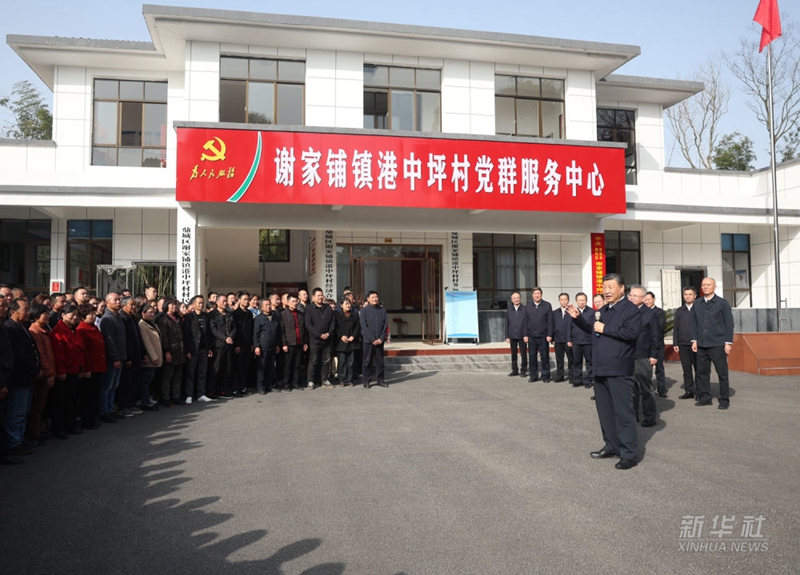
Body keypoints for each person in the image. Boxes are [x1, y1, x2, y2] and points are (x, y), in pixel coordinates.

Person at [568, 273, 642, 470]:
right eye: (604, 287)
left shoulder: (631, 310)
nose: (606, 291)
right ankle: (612, 446)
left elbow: (631, 333)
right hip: (600, 368)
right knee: (605, 412)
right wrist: (578, 318)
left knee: (623, 413)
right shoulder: (603, 310)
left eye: (610, 287)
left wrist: (605, 328)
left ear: (622, 288)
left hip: (619, 369)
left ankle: (628, 453)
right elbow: (593, 328)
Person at [691, 277, 734, 409]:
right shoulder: (697, 303)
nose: (705, 287)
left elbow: (729, 323)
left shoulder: (722, 303)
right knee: (702, 373)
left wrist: (728, 342)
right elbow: (694, 323)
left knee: (722, 372)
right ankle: (705, 397)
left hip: (717, 343)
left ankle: (724, 399)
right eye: (703, 285)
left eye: (708, 285)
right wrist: (694, 340)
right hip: (701, 344)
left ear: (714, 287)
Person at [3, 299, 39, 456]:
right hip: (19, 378)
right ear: (13, 312)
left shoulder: (22, 327)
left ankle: (20, 439)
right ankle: (14, 443)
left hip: (28, 377)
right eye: (25, 309)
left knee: (24, 412)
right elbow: (18, 356)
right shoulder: (10, 328)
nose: (28, 312)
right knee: (16, 413)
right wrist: (33, 367)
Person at [50, 304, 86, 435]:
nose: (75, 317)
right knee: (61, 401)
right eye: (72, 315)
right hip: (65, 371)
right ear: (63, 315)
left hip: (74, 369)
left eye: (77, 315)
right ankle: (59, 427)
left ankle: (70, 424)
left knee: (71, 399)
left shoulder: (74, 330)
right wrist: (61, 372)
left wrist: (81, 368)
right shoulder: (58, 331)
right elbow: (58, 355)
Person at [628, 286, 660, 428]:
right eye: (630, 295)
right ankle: (633, 415)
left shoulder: (650, 314)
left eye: (635, 296)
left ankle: (650, 417)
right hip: (627, 355)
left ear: (643, 298)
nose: (632, 298)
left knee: (646, 388)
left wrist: (653, 355)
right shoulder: (626, 312)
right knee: (631, 388)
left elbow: (656, 336)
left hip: (643, 355)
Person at [27, 304, 56, 443]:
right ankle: (34, 434)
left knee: (42, 405)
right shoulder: (35, 331)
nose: (48, 316)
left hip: (48, 372)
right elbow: (41, 355)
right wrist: (49, 373)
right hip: (43, 374)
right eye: (45, 314)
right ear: (37, 315)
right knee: (37, 406)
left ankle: (38, 429)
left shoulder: (44, 330)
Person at [75, 304, 105, 430]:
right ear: (83, 316)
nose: (93, 316)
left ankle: (93, 418)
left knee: (95, 394)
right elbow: (83, 352)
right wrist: (86, 369)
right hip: (90, 367)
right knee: (88, 396)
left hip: (98, 365)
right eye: (90, 314)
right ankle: (87, 420)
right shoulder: (82, 330)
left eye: (94, 314)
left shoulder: (94, 327)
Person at [98, 293, 126, 421]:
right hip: (112, 359)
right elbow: (109, 341)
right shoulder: (107, 319)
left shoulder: (118, 317)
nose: (118, 302)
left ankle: (110, 409)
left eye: (119, 300)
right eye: (115, 300)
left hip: (120, 357)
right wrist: (115, 358)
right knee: (107, 386)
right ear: (107, 302)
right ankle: (105, 411)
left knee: (114, 385)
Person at [156, 297, 186, 407]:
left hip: (180, 350)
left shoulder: (177, 318)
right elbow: (164, 337)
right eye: (171, 304)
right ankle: (166, 398)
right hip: (170, 351)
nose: (174, 306)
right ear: (166, 305)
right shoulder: (163, 319)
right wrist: (167, 351)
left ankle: (176, 396)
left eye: (175, 304)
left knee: (178, 376)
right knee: (167, 377)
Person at [183, 295, 214, 403]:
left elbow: (208, 334)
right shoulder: (189, 317)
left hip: (204, 349)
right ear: (193, 304)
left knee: (202, 373)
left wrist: (209, 348)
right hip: (193, 349)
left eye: (202, 303)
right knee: (190, 374)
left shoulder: (206, 316)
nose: (201, 305)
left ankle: (201, 394)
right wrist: (187, 350)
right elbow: (187, 335)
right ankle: (189, 395)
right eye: (199, 303)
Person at [117, 296, 143, 416]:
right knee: (125, 383)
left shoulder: (132, 318)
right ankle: (124, 406)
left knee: (134, 381)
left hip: (136, 355)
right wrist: (127, 358)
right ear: (123, 305)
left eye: (134, 305)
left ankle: (131, 404)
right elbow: (124, 341)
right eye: (131, 305)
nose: (133, 307)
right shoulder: (122, 318)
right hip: (128, 356)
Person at [305, 287, 335, 389]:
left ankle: (324, 380)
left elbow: (332, 322)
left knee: (326, 360)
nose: (320, 297)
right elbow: (308, 325)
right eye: (318, 295)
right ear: (313, 297)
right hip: (315, 340)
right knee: (313, 360)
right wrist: (319, 335)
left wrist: (328, 333)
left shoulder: (328, 308)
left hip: (327, 339)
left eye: (321, 295)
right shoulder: (309, 309)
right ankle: (310, 381)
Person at [208, 293, 237, 399]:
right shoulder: (212, 315)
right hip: (218, 345)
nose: (225, 303)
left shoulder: (229, 314)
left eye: (226, 301)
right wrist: (225, 338)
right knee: (216, 369)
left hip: (229, 345)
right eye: (223, 301)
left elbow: (234, 328)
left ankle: (224, 390)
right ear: (217, 302)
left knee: (227, 368)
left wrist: (231, 337)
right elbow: (214, 330)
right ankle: (212, 391)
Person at [673, 286, 698, 400]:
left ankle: (700, 391)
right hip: (683, 344)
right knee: (686, 369)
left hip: (696, 345)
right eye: (685, 294)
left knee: (699, 369)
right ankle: (689, 391)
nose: (688, 296)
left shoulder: (699, 309)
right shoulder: (679, 311)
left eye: (690, 294)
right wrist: (675, 343)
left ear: (695, 296)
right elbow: (676, 328)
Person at [360, 290, 389, 389]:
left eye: (376, 297)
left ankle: (380, 380)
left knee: (380, 362)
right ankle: (366, 381)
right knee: (367, 362)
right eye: (372, 297)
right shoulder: (364, 311)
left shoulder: (382, 310)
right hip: (368, 341)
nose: (375, 299)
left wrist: (381, 338)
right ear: (368, 299)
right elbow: (364, 327)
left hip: (380, 341)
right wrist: (372, 339)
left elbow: (385, 325)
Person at [524, 287, 553, 383]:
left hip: (544, 336)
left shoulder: (547, 305)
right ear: (532, 295)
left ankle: (545, 376)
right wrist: (525, 335)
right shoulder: (528, 306)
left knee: (545, 357)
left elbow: (550, 321)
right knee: (532, 357)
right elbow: (525, 322)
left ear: (541, 295)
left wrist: (549, 334)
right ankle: (533, 376)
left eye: (539, 293)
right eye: (535, 294)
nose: (537, 295)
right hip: (531, 336)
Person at [280, 294, 307, 391]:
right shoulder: (283, 314)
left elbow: (303, 329)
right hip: (289, 343)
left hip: (299, 342)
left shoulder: (301, 314)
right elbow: (282, 331)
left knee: (297, 364)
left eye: (296, 301)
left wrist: (305, 342)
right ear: (288, 302)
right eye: (293, 301)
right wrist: (284, 343)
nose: (295, 303)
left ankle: (295, 383)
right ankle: (287, 384)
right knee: (288, 365)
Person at [253, 298, 281, 394]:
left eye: (269, 304)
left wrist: (277, 344)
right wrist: (257, 346)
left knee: (271, 367)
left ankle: (269, 385)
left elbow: (277, 332)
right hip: (263, 346)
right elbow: (256, 334)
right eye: (266, 305)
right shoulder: (258, 318)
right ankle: (260, 386)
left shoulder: (275, 317)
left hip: (272, 346)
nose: (269, 306)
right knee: (262, 368)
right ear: (262, 307)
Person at [138, 303, 162, 410]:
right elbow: (146, 342)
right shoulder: (142, 325)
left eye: (153, 312)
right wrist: (153, 357)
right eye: (150, 312)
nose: (152, 314)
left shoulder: (153, 324)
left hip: (157, 355)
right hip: (150, 358)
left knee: (150, 381)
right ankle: (145, 401)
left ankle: (149, 399)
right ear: (143, 313)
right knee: (145, 381)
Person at [644, 291, 667, 397]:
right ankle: (646, 389)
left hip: (657, 344)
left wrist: (647, 331)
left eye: (649, 299)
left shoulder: (660, 312)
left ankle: (662, 389)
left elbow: (660, 327)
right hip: (645, 345)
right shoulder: (641, 312)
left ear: (654, 299)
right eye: (645, 299)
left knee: (659, 368)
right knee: (645, 368)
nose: (647, 301)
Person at [231, 292, 255, 395]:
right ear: (239, 300)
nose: (246, 301)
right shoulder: (235, 314)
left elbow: (251, 329)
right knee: (237, 367)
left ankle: (243, 386)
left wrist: (252, 343)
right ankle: (236, 388)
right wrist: (236, 344)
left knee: (245, 366)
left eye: (248, 299)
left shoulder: (249, 313)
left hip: (247, 343)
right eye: (244, 299)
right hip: (239, 344)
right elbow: (234, 330)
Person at [334, 297, 361, 387]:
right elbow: (335, 327)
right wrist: (341, 336)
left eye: (349, 304)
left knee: (351, 362)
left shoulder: (354, 314)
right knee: (342, 362)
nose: (348, 305)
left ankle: (350, 379)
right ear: (341, 305)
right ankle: (342, 379)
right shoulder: (337, 315)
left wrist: (353, 336)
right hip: (341, 342)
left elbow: (357, 326)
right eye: (346, 304)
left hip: (352, 341)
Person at [570, 293, 594, 389]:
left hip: (588, 341)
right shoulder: (572, 312)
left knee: (589, 362)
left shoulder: (592, 312)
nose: (581, 302)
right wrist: (569, 339)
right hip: (576, 341)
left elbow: (591, 327)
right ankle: (577, 380)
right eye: (579, 300)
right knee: (577, 362)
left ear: (586, 301)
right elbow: (569, 327)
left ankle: (589, 380)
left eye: (583, 300)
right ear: (576, 301)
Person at [504, 291, 528, 378]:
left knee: (523, 353)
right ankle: (514, 370)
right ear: (511, 299)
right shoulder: (509, 309)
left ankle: (523, 370)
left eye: (517, 298)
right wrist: (507, 336)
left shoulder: (525, 309)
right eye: (514, 298)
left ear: (520, 298)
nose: (516, 299)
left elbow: (527, 323)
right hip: (512, 335)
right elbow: (507, 323)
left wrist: (526, 335)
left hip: (522, 335)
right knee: (513, 354)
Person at [552, 293, 574, 383]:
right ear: (559, 301)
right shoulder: (555, 313)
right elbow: (552, 326)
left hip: (568, 340)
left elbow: (573, 327)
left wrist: (571, 339)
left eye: (565, 299)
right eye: (562, 300)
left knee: (571, 359)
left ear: (568, 300)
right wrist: (552, 338)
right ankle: (560, 376)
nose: (564, 301)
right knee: (559, 359)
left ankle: (571, 376)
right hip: (558, 339)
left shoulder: (572, 312)